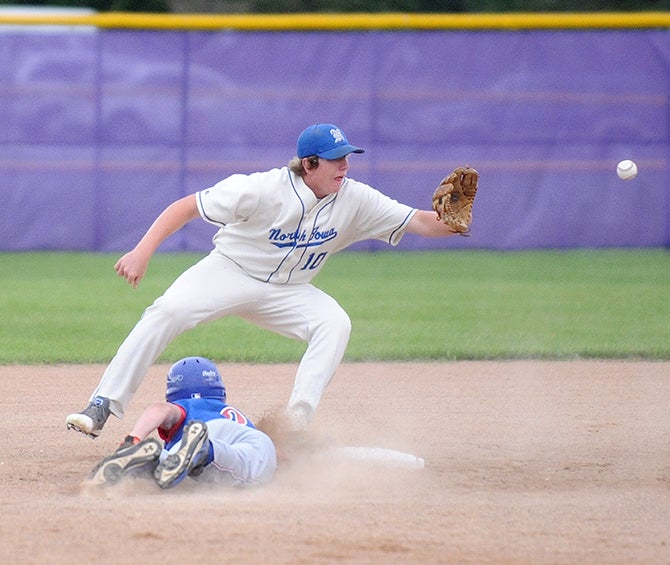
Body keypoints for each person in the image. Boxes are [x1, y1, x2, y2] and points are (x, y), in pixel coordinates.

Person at [67, 122, 462, 439]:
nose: (344, 165)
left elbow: (418, 222)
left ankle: (295, 424)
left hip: (290, 291)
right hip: (229, 271)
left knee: (334, 322)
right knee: (167, 311)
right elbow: (187, 206)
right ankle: (102, 403)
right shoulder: (259, 190)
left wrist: (453, 223)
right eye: (335, 159)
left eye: (347, 157)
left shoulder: (355, 198)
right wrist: (142, 251)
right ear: (308, 165)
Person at [87, 356, 276, 488]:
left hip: (203, 436)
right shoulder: (230, 413)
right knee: (251, 468)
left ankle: (149, 462)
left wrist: (133, 439)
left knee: (179, 462)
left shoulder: (183, 407)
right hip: (255, 440)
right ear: (220, 392)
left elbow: (159, 409)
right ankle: (199, 451)